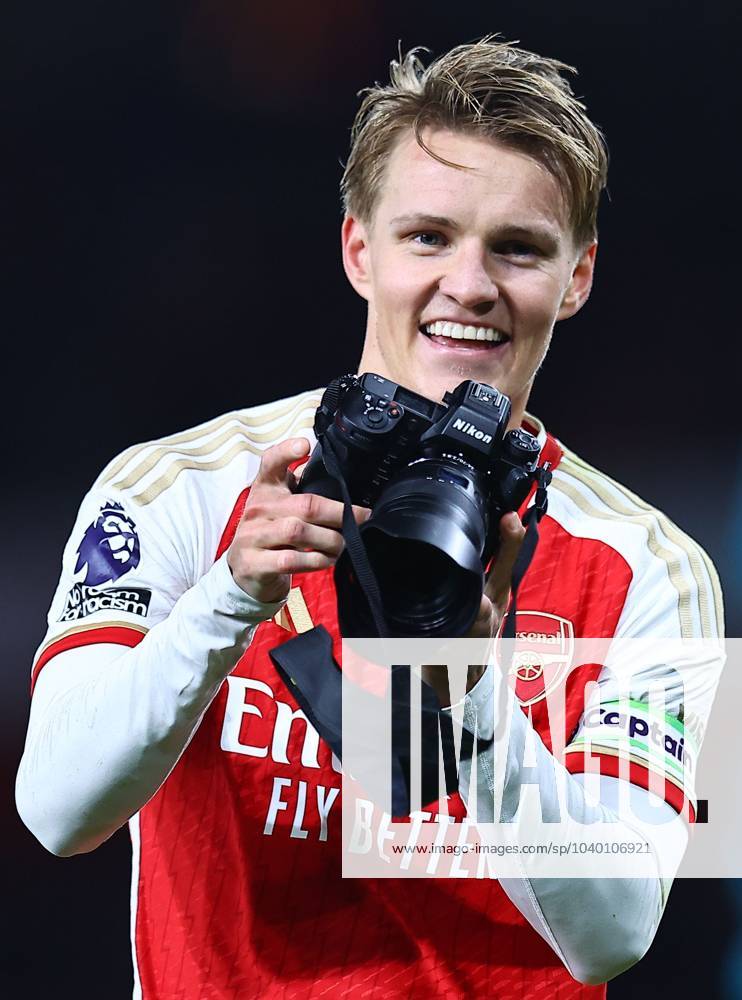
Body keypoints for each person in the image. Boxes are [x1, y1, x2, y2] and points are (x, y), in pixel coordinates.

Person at [16, 37, 723, 999]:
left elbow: (614, 933)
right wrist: (227, 601)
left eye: (517, 247)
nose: (470, 285)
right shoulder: (176, 488)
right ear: (359, 248)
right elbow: (57, 812)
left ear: (579, 276)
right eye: (428, 236)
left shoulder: (658, 572)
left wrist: (473, 690)